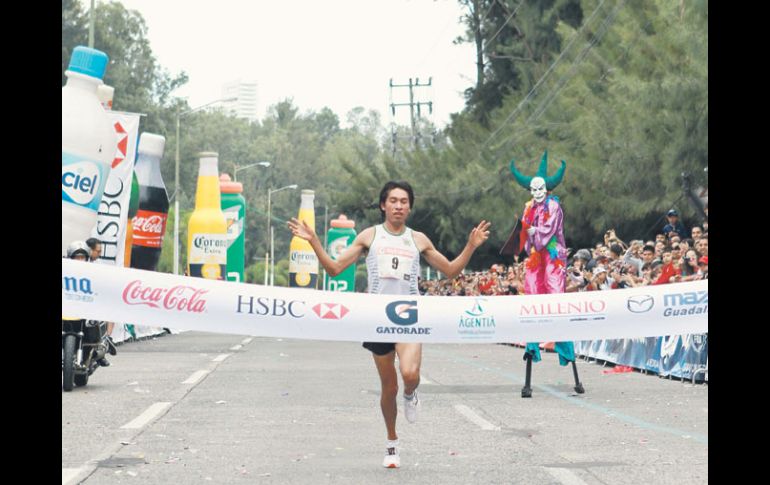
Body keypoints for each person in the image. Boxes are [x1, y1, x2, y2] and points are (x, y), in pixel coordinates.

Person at [288, 180, 490, 469]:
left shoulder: (418, 239)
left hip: (409, 317)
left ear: (409, 206)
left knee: (409, 375)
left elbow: (450, 271)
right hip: (377, 319)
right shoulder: (369, 236)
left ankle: (412, 393)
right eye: (393, 201)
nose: (398, 206)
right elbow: (333, 269)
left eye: (404, 201)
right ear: (383, 205)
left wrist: (470, 246)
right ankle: (392, 443)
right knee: (388, 387)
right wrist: (314, 242)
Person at [65, 241, 117, 367]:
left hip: (86, 308)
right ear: (71, 258)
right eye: (77, 257)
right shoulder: (65, 270)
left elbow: (101, 286)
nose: (80, 260)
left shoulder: (93, 272)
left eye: (82, 257)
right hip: (67, 308)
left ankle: (100, 350)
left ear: (87, 258)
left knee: (96, 321)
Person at [85, 237, 117, 364]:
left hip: (95, 300)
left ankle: (105, 341)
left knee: (111, 309)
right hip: (79, 302)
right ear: (89, 250)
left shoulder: (100, 265)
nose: (99, 254)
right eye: (97, 251)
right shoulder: (76, 261)